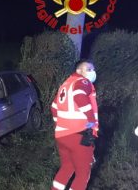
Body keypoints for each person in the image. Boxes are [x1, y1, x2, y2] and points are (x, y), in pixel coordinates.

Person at [51, 59, 99, 190]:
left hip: (62, 135)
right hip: (79, 135)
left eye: (93, 69)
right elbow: (79, 96)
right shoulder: (82, 81)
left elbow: (54, 107)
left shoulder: (66, 84)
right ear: (78, 71)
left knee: (67, 167)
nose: (92, 72)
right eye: (88, 69)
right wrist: (91, 120)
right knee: (83, 174)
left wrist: (59, 124)